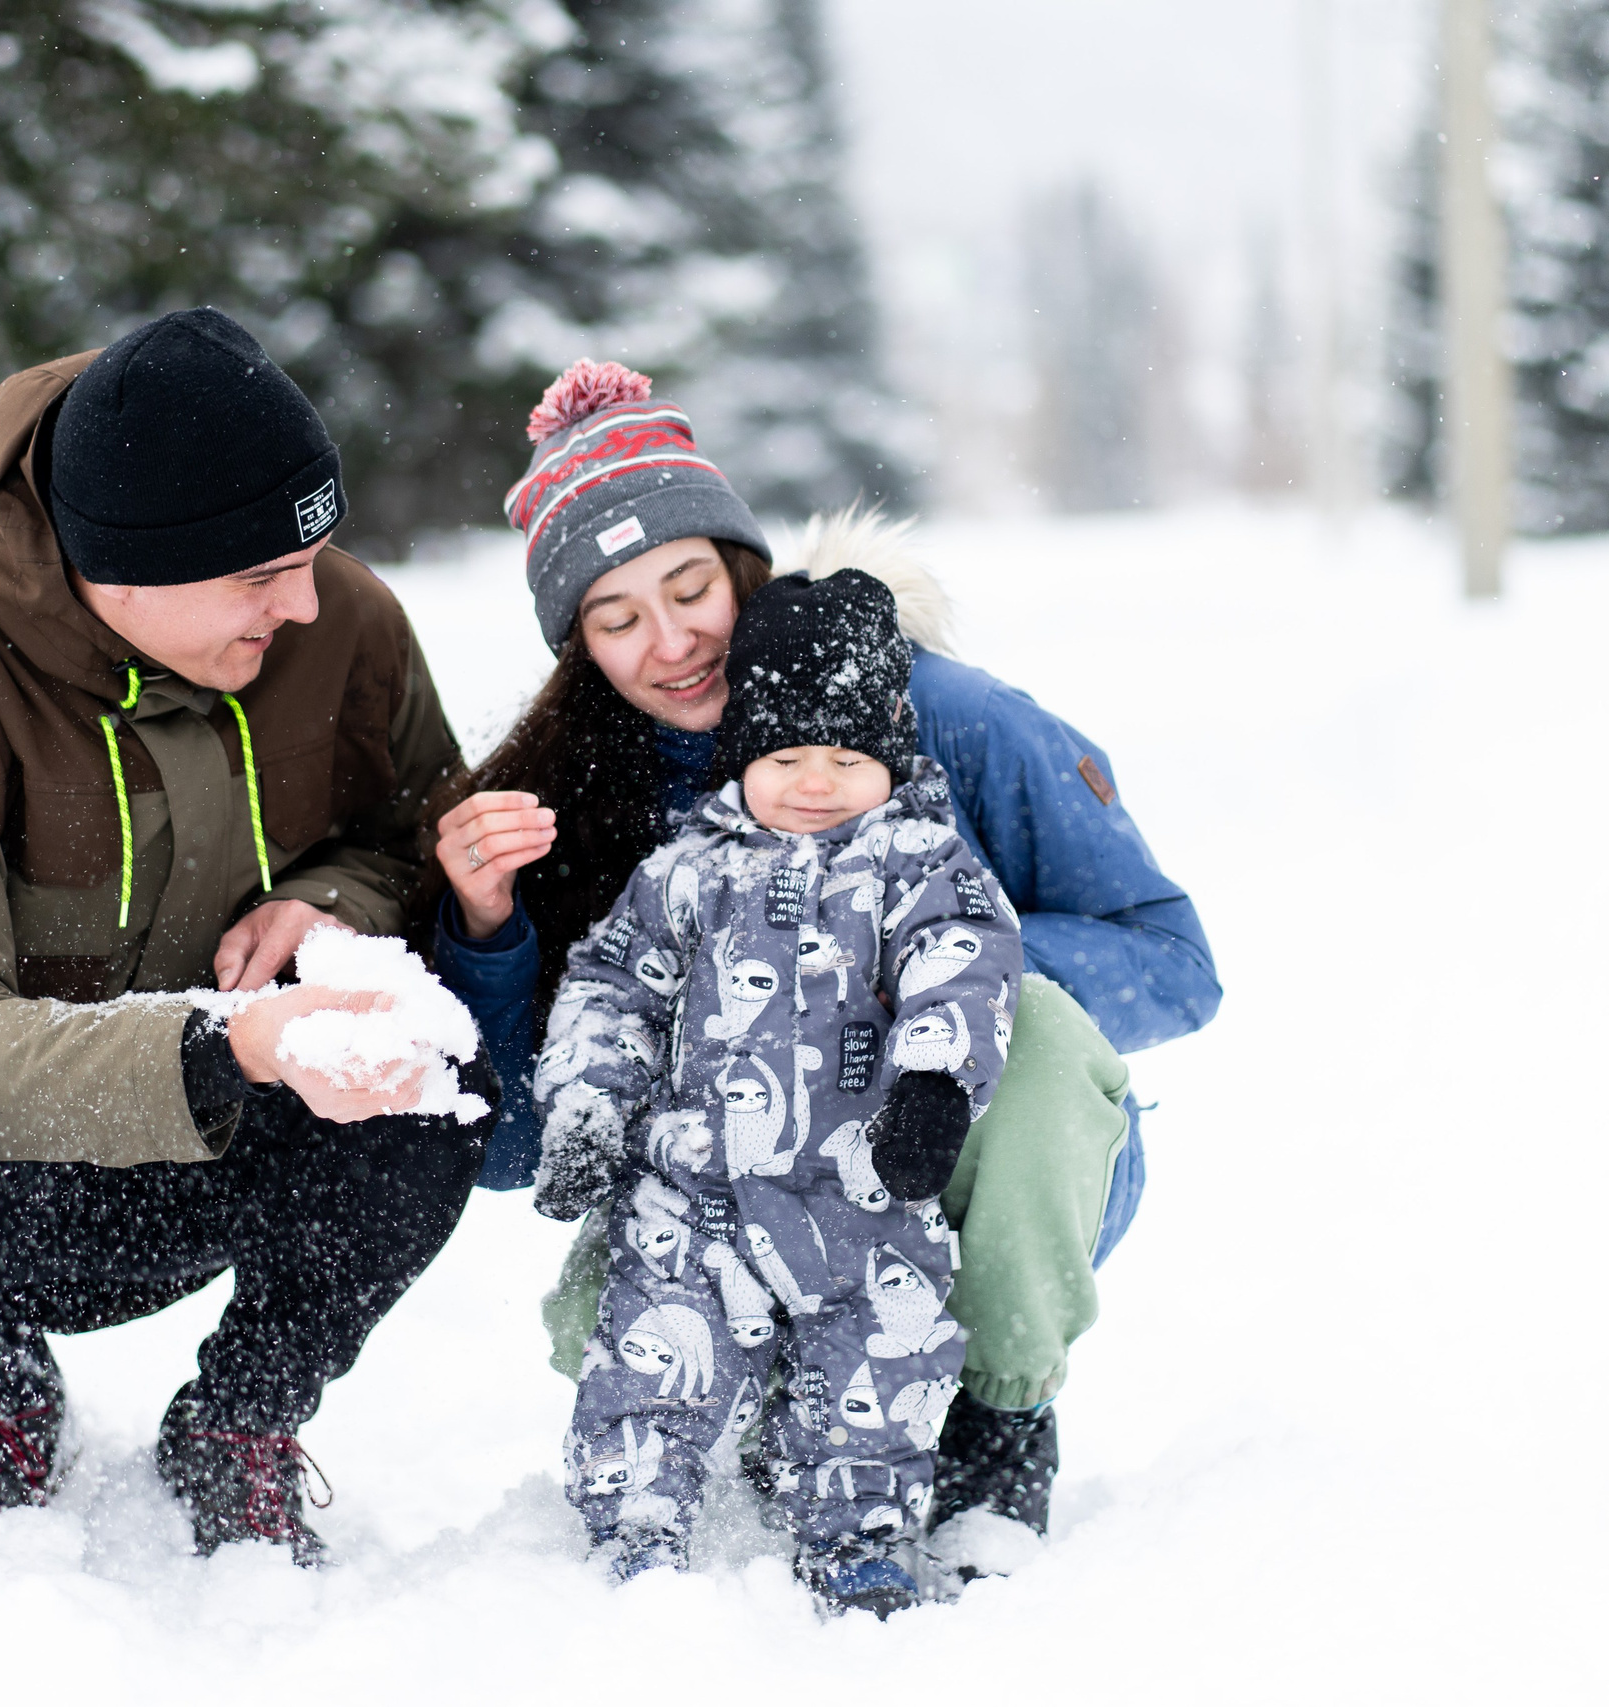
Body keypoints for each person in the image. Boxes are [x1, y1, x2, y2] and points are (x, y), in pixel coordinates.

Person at [0, 309, 486, 1566]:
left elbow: (420, 834)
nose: (304, 603)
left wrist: (338, 904)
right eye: (257, 578)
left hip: (217, 1123)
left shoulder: (335, 616)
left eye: (314, 558)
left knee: (432, 1069)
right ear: (121, 569)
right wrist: (225, 1051)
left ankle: (241, 1422)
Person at [429, 361, 1222, 1560]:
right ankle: (754, 1394)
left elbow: (1172, 962)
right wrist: (489, 935)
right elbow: (512, 1153)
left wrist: (915, 971)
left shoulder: (946, 714)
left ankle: (998, 1413)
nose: (672, 640)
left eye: (690, 586)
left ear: (742, 568)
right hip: (736, 1193)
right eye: (616, 616)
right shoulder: (584, 797)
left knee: (1044, 1035)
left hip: (975, 1156)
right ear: (576, 645)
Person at [538, 569, 1025, 1617]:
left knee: (879, 1371)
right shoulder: (684, 871)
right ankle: (634, 1528)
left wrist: (933, 1090)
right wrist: (588, 1103)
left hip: (860, 1189)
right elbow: (611, 985)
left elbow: (965, 964)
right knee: (651, 1360)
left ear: (888, 753)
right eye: (785, 756)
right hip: (696, 1192)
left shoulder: (922, 865)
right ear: (743, 753)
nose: (815, 782)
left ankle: (858, 1538)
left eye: (846, 758)